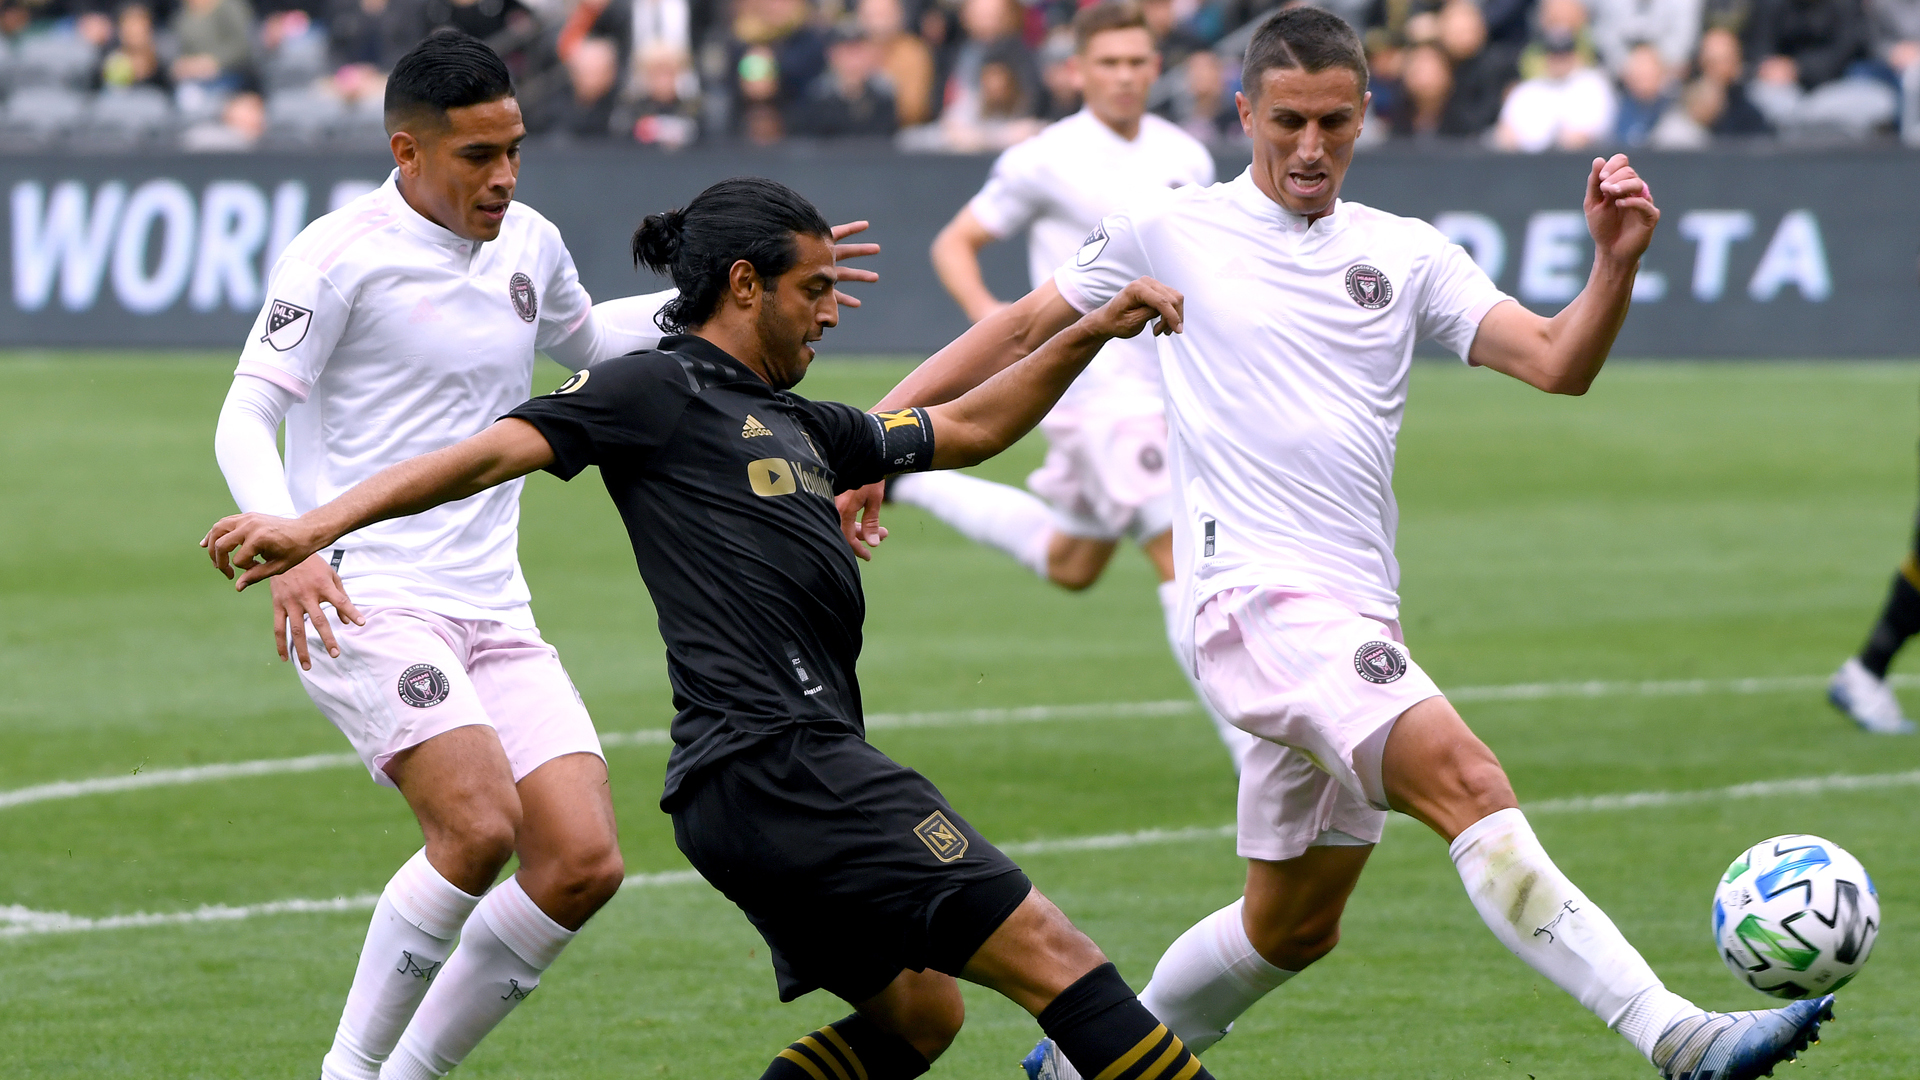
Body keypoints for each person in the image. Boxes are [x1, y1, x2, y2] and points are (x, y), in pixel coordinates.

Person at [842, 9, 1839, 1080]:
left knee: (1292, 928)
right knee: (1465, 775)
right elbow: (1019, 328)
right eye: (1287, 123)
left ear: (1366, 116)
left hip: (1352, 608)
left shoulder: (1405, 254)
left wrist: (1614, 263)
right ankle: (1674, 1035)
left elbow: (1557, 361)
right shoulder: (1168, 226)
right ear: (1245, 115)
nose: (1310, 148)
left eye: (1334, 123)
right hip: (1257, 604)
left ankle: (1084, 1063)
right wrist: (870, 437)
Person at [205, 175, 1223, 1080]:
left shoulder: (805, 422)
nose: (832, 312)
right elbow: (481, 455)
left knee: (920, 1016)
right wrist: (312, 528)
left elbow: (971, 427)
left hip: (755, 787)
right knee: (1055, 954)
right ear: (745, 285)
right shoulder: (650, 389)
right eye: (813, 290)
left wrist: (1091, 334)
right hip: (784, 765)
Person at [207, 33, 878, 1080]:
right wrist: (295, 545)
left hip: (496, 606)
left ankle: (411, 1072)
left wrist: (758, 284)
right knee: (477, 828)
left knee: (579, 862)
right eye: (479, 155)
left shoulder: (531, 241)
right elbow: (245, 418)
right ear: (408, 151)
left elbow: (595, 345)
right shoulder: (337, 255)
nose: (505, 175)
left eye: (515, 148)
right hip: (367, 592)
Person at [912, 0, 1252, 770]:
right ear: (1077, 71)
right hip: (1093, 395)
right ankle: (1254, 757)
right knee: (1180, 552)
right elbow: (956, 242)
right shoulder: (1045, 157)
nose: (1127, 77)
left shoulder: (1187, 155)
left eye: (1138, 62)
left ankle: (914, 488)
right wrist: (992, 321)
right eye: (1110, 64)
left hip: (1164, 390)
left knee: (1073, 562)